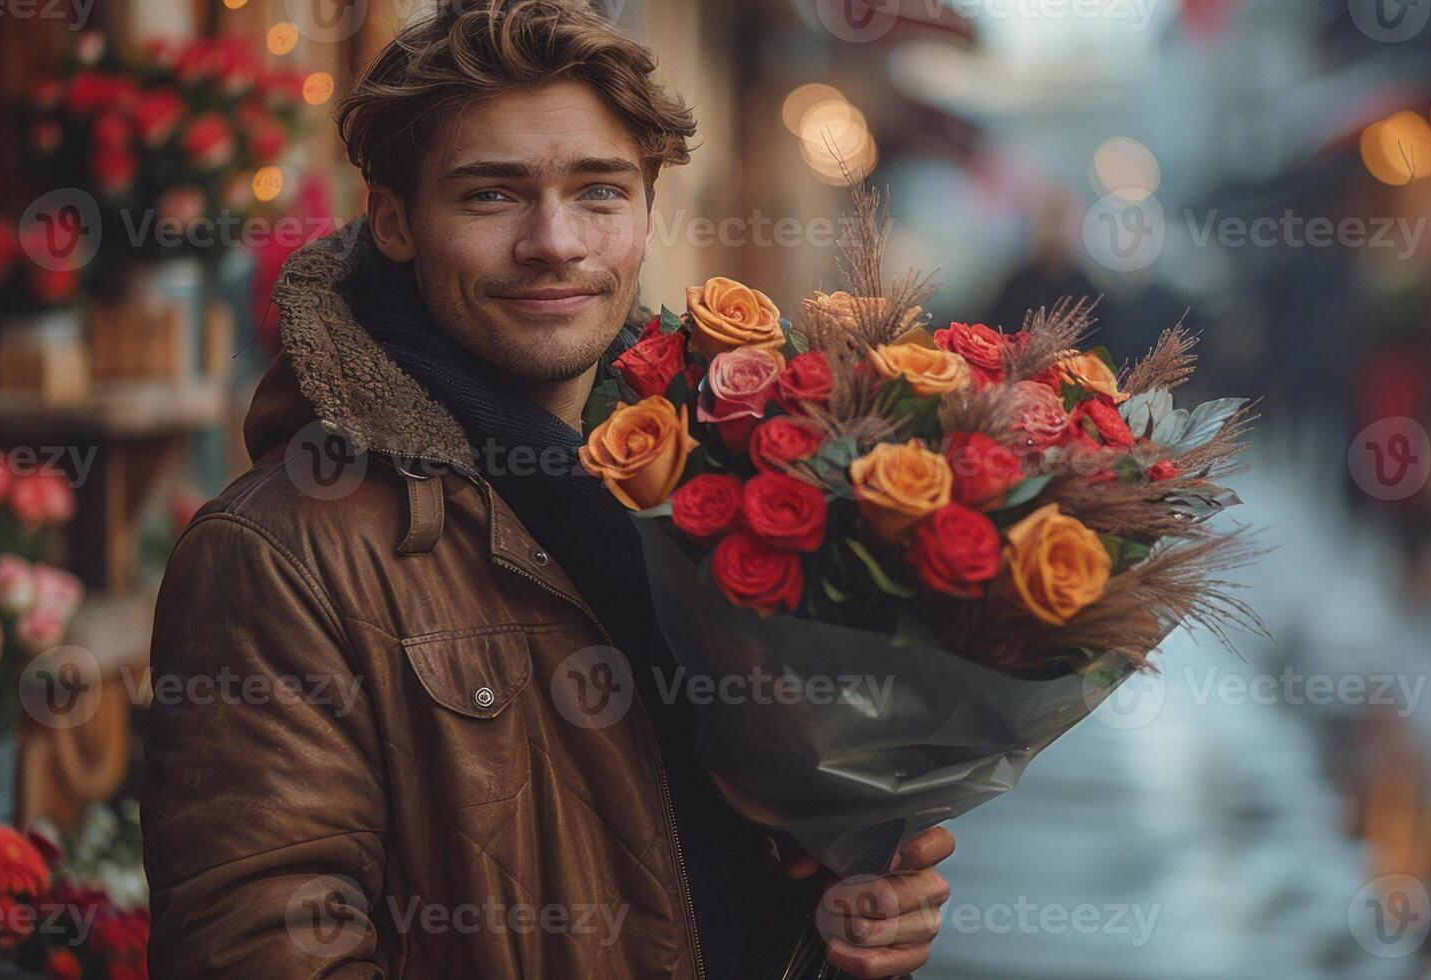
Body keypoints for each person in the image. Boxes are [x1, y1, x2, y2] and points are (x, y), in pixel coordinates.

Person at [141, 2, 952, 977]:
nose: (554, 241)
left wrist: (847, 905)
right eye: (492, 196)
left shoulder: (723, 490)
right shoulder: (280, 552)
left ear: (649, 212)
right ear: (394, 219)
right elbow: (263, 950)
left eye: (599, 192)